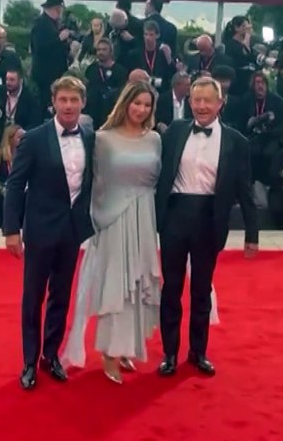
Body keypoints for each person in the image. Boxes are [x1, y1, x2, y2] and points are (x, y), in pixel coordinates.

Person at [155, 76, 259, 377]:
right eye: (196, 100)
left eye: (207, 101)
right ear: (190, 102)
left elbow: (245, 189)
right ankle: (170, 354)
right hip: (174, 217)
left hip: (209, 220)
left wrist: (252, 234)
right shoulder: (174, 132)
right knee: (171, 288)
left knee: (201, 290)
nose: (201, 106)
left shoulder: (237, 142)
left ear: (220, 104)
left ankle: (198, 352)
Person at [64, 81, 162, 384]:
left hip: (144, 217)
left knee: (138, 285)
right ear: (126, 103)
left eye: (147, 105)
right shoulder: (103, 139)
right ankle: (108, 352)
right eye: (137, 103)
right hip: (112, 220)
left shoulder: (156, 139)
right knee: (116, 286)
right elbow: (94, 182)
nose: (141, 110)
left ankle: (127, 348)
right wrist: (97, 220)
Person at [3, 75, 95, 391]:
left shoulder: (89, 137)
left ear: (83, 103)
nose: (69, 106)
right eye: (63, 100)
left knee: (61, 295)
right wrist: (11, 230)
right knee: (33, 297)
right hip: (40, 229)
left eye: (74, 100)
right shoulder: (35, 138)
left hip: (72, 230)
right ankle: (30, 360)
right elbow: (15, 184)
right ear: (53, 103)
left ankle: (50, 355)